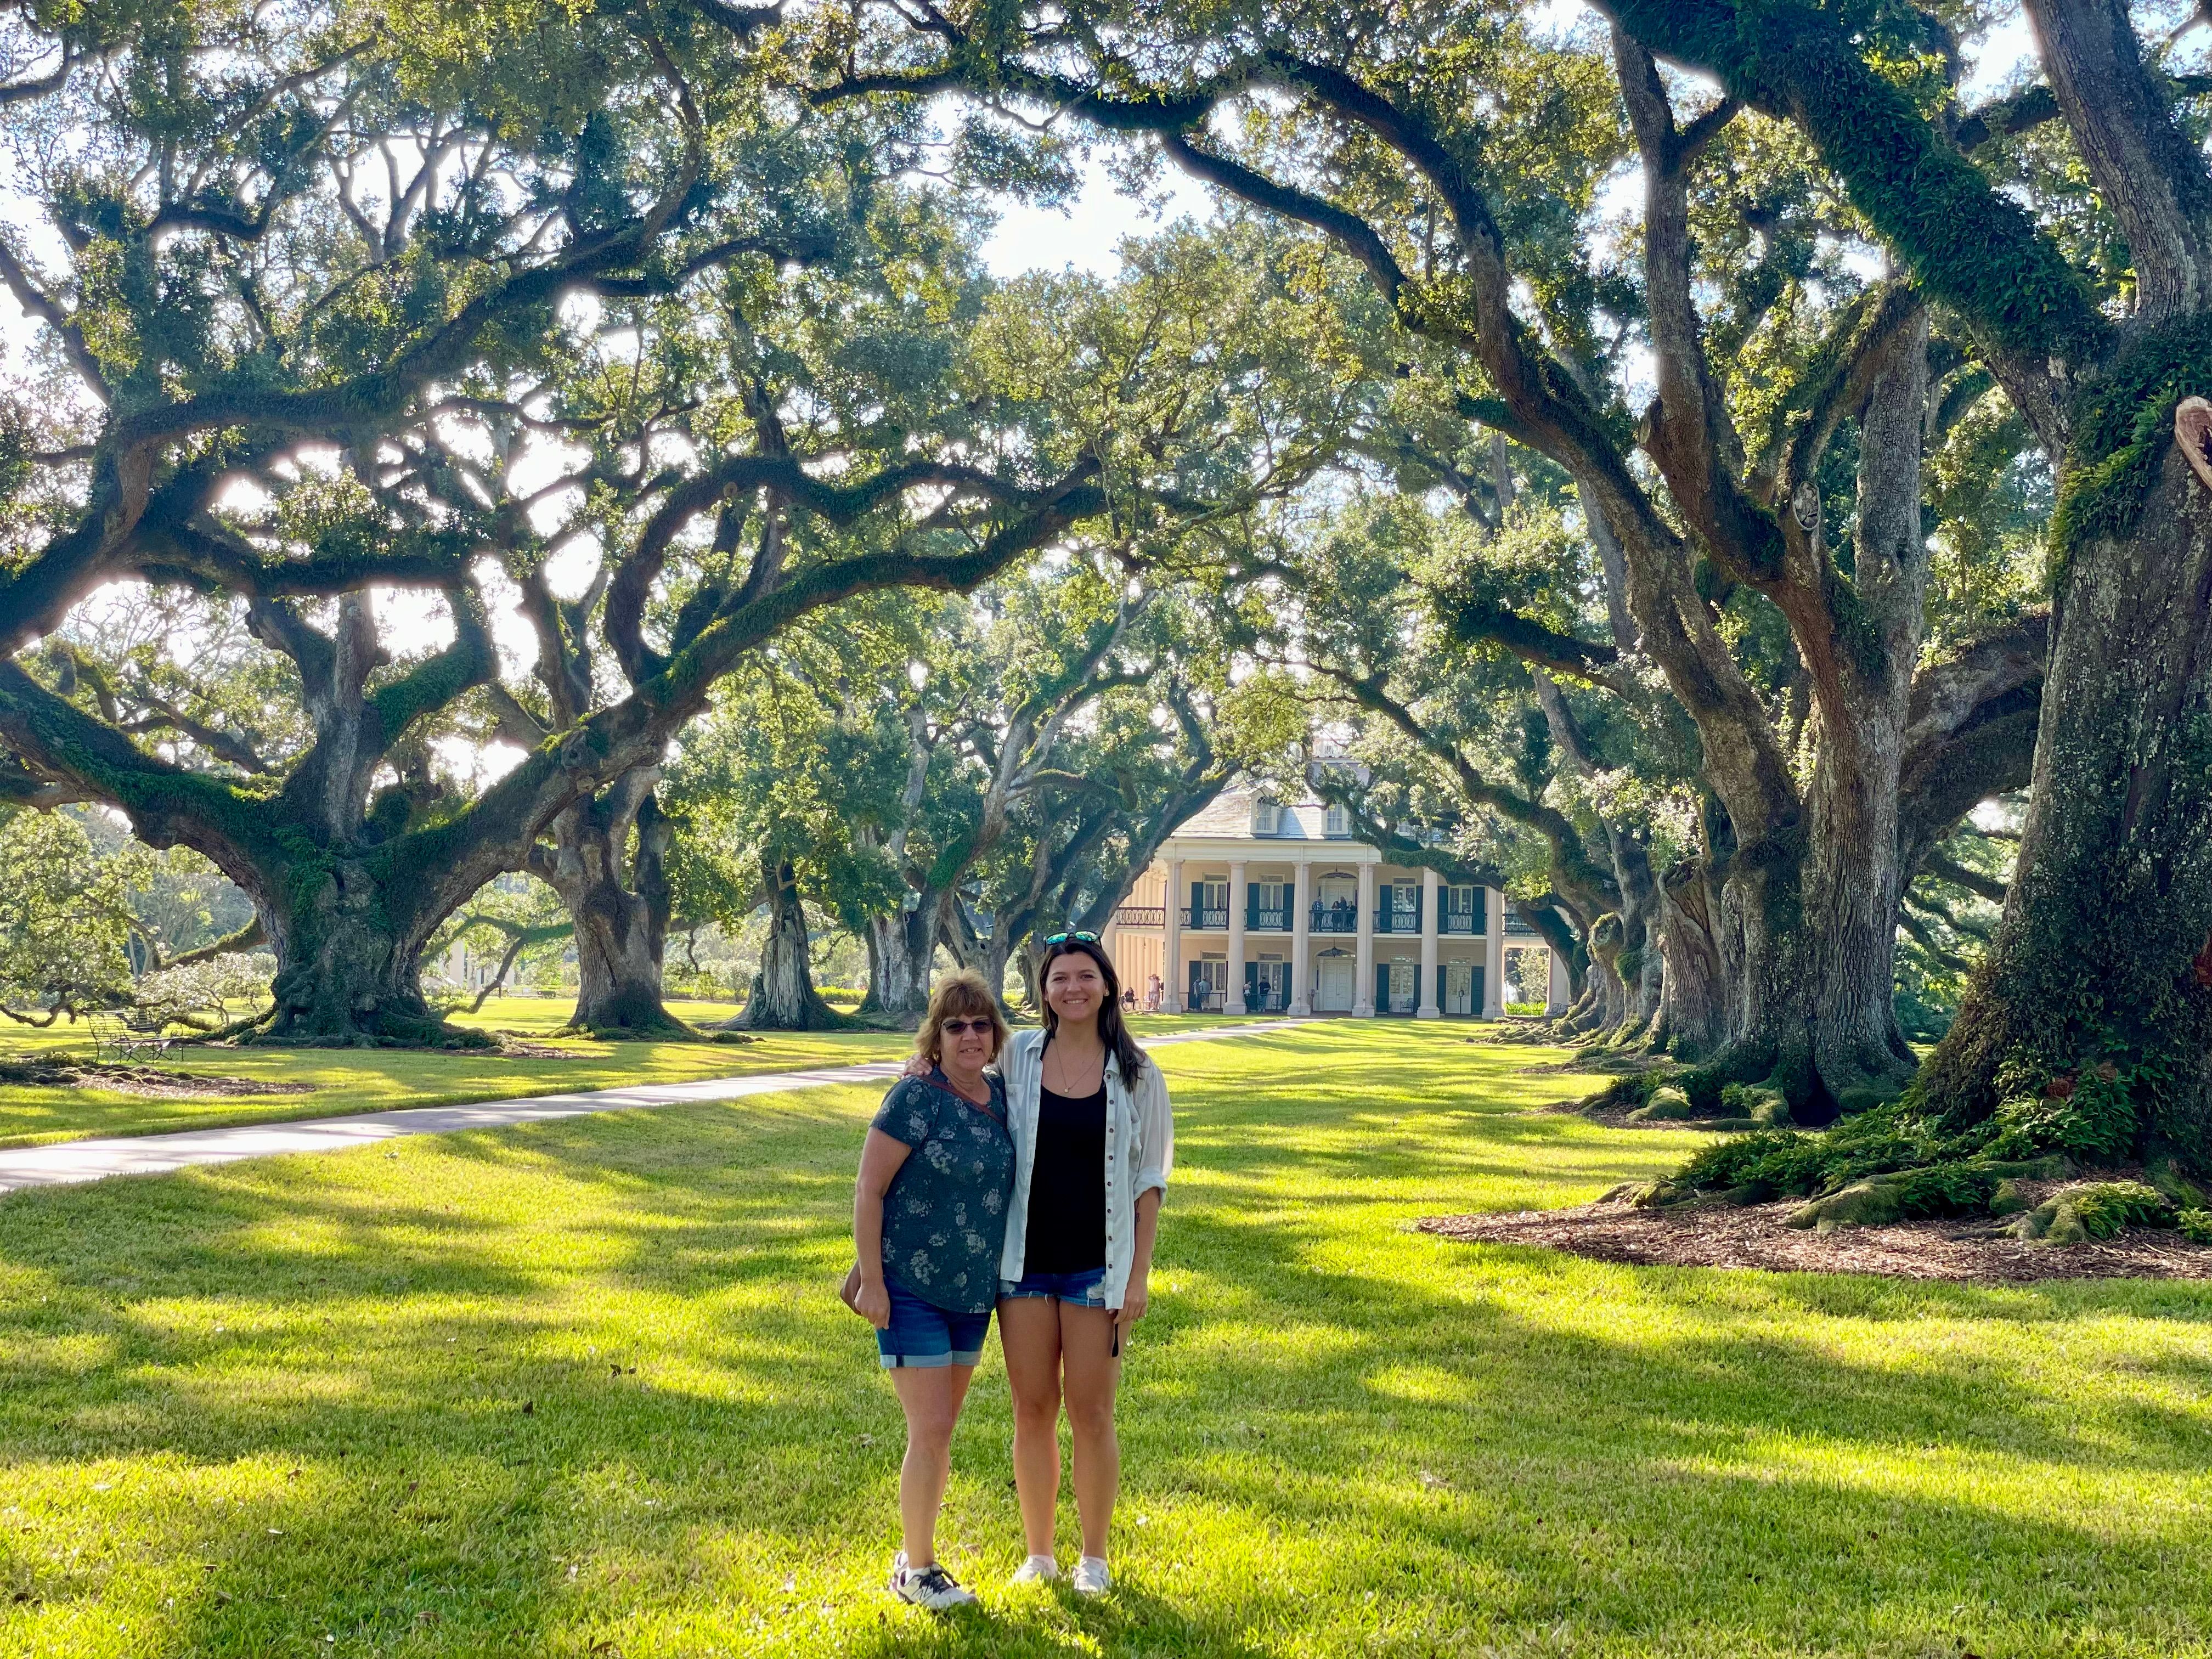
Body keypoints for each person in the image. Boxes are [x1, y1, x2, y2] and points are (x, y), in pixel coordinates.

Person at [998, 933, 1172, 1595]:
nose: (1073, 988)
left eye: (1085, 977)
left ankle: (1092, 1559)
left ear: (1107, 987)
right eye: (1060, 978)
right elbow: (960, 1075)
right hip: (1023, 1266)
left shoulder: (1138, 1074)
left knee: (1092, 1413)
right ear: (1044, 991)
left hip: (1099, 1270)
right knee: (1032, 1408)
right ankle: (1039, 1553)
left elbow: (1149, 1182)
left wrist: (1138, 1278)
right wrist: (917, 1070)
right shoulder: (1018, 1056)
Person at [853, 970, 1014, 1611]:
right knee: (932, 1428)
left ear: (995, 1036)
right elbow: (868, 1189)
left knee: (941, 1433)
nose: (970, 1035)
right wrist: (871, 1280)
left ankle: (912, 1556)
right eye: (956, 1025)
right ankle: (917, 1570)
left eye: (981, 1025)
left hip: (973, 1296)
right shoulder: (913, 1098)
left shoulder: (1002, 1099)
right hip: (908, 1287)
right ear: (937, 1037)